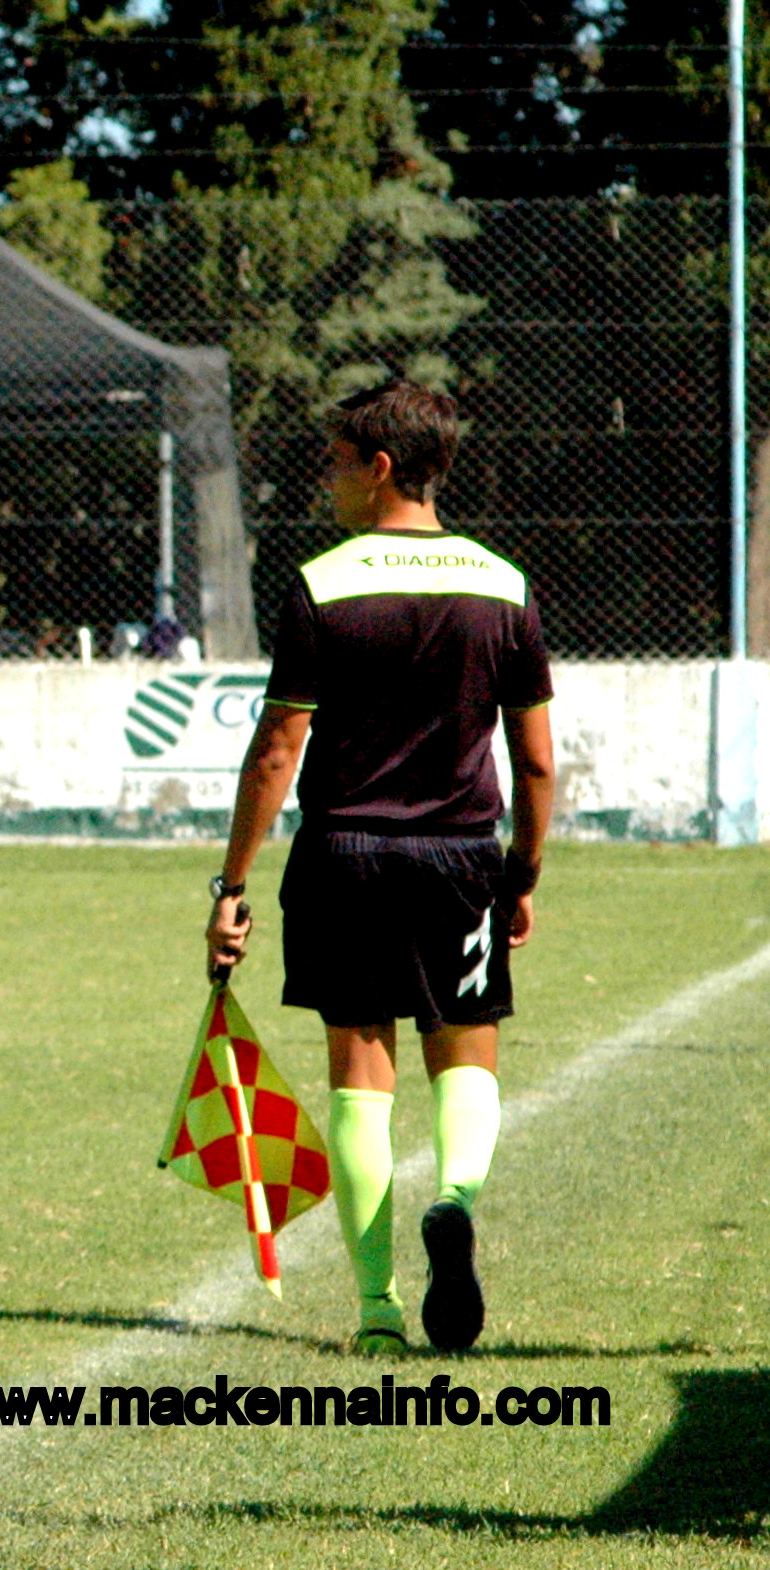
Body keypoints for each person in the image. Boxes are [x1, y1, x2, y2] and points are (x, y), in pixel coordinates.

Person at [205, 379, 553, 1356]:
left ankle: (378, 1312)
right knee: (465, 1057)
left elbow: (277, 750)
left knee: (361, 1079)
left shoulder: (324, 584)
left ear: (383, 467)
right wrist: (521, 874)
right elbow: (535, 763)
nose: (330, 481)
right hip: (461, 857)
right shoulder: (504, 585)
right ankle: (454, 1201)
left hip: (346, 858)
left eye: (339, 463)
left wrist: (231, 888)